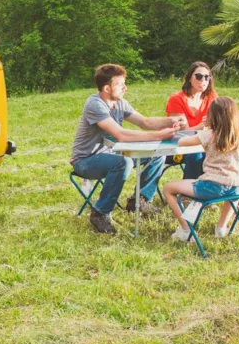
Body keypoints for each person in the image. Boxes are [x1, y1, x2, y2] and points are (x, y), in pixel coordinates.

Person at [71, 64, 183, 234]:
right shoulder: (95, 104)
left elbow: (145, 123)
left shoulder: (120, 103)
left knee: (157, 155)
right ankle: (100, 213)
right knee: (123, 163)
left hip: (110, 154)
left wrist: (174, 120)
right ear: (107, 88)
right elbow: (121, 134)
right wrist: (159, 136)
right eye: (120, 84)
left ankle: (141, 200)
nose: (125, 87)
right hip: (86, 160)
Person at [163, 97, 239, 242]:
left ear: (212, 117)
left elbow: (181, 142)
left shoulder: (208, 135)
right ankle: (221, 228)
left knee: (168, 188)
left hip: (210, 186)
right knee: (231, 195)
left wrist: (204, 127)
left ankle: (186, 230)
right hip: (238, 187)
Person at [164, 62, 218, 179]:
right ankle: (188, 193)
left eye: (207, 77)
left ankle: (218, 188)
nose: (203, 80)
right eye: (199, 76)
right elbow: (182, 133)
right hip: (177, 144)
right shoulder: (177, 99)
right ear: (189, 78)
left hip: (203, 142)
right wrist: (202, 125)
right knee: (197, 154)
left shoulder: (212, 97)